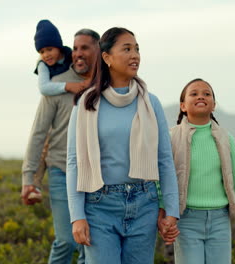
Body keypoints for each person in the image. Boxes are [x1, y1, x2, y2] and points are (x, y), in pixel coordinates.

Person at [66, 27, 179, 264]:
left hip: (144, 204)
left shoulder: (151, 103)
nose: (135, 55)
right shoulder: (85, 104)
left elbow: (164, 159)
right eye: (126, 49)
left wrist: (171, 210)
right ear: (107, 57)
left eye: (137, 49)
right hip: (99, 206)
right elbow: (74, 161)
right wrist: (77, 216)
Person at [21, 28, 100, 264]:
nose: (78, 54)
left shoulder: (103, 86)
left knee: (90, 245)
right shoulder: (57, 85)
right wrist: (28, 178)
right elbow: (38, 134)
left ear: (99, 50)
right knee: (66, 241)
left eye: (84, 48)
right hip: (61, 171)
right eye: (75, 48)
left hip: (96, 176)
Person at [168, 78, 235, 263]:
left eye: (206, 94)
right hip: (186, 221)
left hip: (220, 222)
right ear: (183, 106)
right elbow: (163, 183)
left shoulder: (227, 139)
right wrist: (165, 216)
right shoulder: (171, 137)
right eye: (194, 93)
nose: (201, 96)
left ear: (214, 105)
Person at [30, 20, 91, 203]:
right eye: (41, 51)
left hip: (67, 112)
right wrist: (68, 86)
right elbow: (44, 87)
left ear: (59, 46)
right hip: (54, 107)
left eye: (49, 49)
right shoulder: (42, 64)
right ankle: (35, 184)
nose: (46, 55)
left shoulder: (71, 55)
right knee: (45, 143)